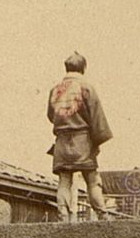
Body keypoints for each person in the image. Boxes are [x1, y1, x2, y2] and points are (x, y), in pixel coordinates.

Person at [47, 53, 113, 222]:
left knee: (64, 181)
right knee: (92, 180)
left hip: (61, 141)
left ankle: (63, 218)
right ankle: (103, 216)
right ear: (83, 68)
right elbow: (97, 116)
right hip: (82, 140)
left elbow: (50, 115)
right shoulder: (86, 87)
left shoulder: (54, 90)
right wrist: (96, 142)